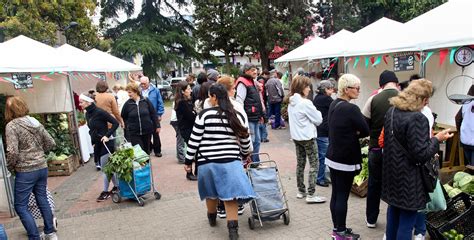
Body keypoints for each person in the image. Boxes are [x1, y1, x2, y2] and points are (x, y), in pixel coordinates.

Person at [382, 79, 453, 240]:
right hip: (409, 179)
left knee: (393, 215)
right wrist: (437, 139)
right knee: (407, 223)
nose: (427, 103)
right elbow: (421, 154)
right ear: (421, 99)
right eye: (427, 100)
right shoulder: (417, 118)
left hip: (391, 175)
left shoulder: (391, 112)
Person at [184, 84, 255, 240]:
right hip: (231, 160)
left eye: (210, 96)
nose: (209, 99)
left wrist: (188, 161)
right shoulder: (236, 114)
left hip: (207, 161)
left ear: (214, 97)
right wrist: (244, 154)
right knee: (231, 196)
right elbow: (245, 139)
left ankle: (212, 217)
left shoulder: (203, 115)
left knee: (210, 193)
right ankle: (233, 230)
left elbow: (194, 140)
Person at [5, 96, 58, 240]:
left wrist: (10, 166)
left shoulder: (12, 126)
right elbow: (51, 143)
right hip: (41, 167)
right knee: (42, 198)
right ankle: (50, 232)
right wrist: (39, 152)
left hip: (25, 170)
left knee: (21, 206)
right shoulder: (35, 122)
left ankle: (34, 236)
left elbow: (12, 151)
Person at [325, 74, 369, 239]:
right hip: (345, 158)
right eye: (356, 88)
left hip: (333, 155)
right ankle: (340, 232)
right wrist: (353, 133)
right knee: (342, 195)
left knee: (336, 194)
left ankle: (337, 228)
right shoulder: (351, 108)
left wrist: (350, 132)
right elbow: (365, 130)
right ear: (346, 89)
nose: (358, 91)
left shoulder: (334, 104)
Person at [362, 70, 399, 228]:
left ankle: (371, 219)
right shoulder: (406, 98)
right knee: (396, 186)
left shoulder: (373, 99)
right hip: (398, 152)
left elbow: (364, 124)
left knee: (374, 184)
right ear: (396, 83)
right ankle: (394, 220)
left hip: (376, 148)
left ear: (381, 84)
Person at [287, 75, 326, 203]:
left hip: (297, 137)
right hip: (308, 137)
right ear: (302, 88)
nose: (309, 89)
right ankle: (311, 194)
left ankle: (301, 191)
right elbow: (319, 120)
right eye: (307, 86)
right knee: (314, 164)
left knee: (301, 164)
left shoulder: (291, 102)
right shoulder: (306, 103)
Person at [78, 93, 119, 202]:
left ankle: (105, 192)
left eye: (81, 102)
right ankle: (117, 187)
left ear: (88, 102)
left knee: (105, 168)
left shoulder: (100, 112)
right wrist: (93, 141)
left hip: (106, 143)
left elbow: (115, 123)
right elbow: (91, 130)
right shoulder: (87, 113)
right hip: (98, 144)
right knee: (108, 167)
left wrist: (107, 135)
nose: (80, 104)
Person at [236, 63, 265, 162]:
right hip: (249, 117)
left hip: (254, 116)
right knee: (251, 141)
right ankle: (249, 162)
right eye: (252, 70)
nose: (255, 71)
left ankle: (255, 162)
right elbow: (239, 102)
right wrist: (242, 118)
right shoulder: (242, 83)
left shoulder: (251, 81)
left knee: (256, 141)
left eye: (255, 69)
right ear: (246, 71)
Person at [121, 82, 160, 155]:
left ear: (136, 91)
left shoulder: (145, 100)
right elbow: (123, 116)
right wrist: (127, 127)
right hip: (134, 133)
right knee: (139, 152)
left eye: (130, 92)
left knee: (146, 151)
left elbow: (153, 114)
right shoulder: (127, 104)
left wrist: (157, 125)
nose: (128, 94)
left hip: (147, 131)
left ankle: (147, 166)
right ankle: (142, 166)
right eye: (128, 92)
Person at [95, 81, 125, 170]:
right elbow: (116, 112)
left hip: (97, 124)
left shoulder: (94, 97)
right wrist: (121, 121)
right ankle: (110, 160)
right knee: (110, 142)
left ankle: (98, 162)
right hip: (109, 124)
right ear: (106, 87)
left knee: (98, 143)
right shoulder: (110, 97)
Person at [312, 80, 336, 187]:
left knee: (321, 156)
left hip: (318, 130)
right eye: (331, 89)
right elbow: (336, 106)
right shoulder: (326, 99)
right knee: (324, 156)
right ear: (326, 89)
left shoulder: (317, 98)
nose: (332, 91)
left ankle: (323, 177)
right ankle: (320, 179)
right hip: (324, 131)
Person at [175, 80, 198, 181]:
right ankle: (189, 172)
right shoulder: (182, 103)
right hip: (187, 129)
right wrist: (195, 114)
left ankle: (196, 171)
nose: (191, 90)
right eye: (188, 89)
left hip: (189, 128)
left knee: (195, 150)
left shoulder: (187, 101)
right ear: (183, 91)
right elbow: (191, 116)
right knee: (191, 150)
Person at [140, 76, 164, 157]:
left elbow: (160, 102)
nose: (142, 85)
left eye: (144, 84)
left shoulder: (155, 90)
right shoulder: (139, 91)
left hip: (154, 115)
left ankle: (157, 150)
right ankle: (149, 148)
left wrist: (160, 114)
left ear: (148, 82)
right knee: (146, 134)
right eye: (141, 84)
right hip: (144, 116)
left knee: (156, 133)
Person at [455, 85, 474, 167]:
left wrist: (461, 131)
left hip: (465, 139)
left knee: (469, 165)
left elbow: (457, 118)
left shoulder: (466, 104)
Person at [257, 75, 269, 142]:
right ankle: (263, 138)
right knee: (262, 126)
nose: (261, 84)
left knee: (262, 125)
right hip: (260, 109)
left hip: (262, 107)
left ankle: (262, 138)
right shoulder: (257, 92)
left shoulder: (263, 89)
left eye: (262, 82)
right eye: (259, 82)